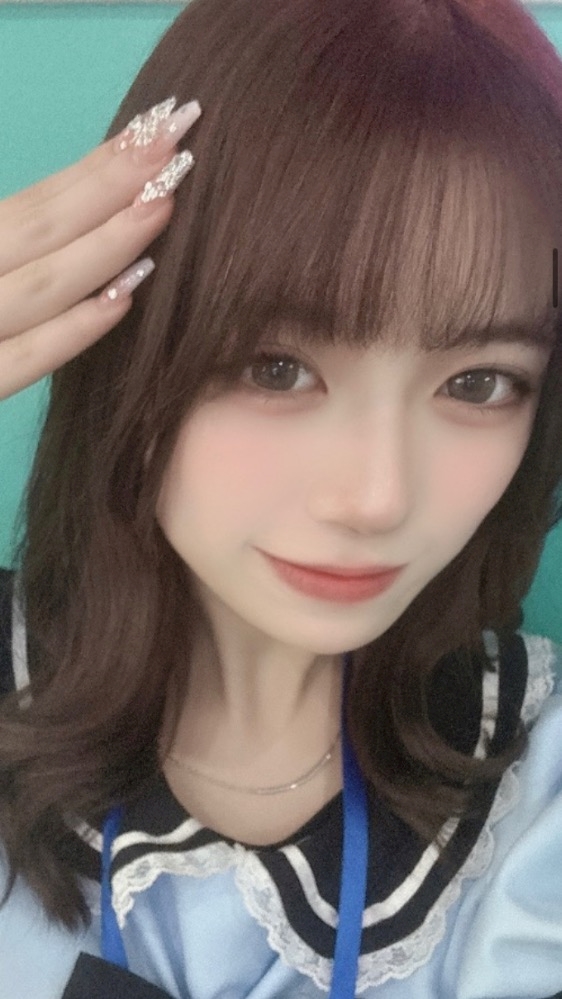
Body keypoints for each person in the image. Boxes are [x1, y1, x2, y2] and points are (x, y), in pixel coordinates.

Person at [0, 0, 561, 995]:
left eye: (477, 383)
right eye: (275, 368)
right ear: (128, 341)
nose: (376, 498)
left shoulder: (538, 791)